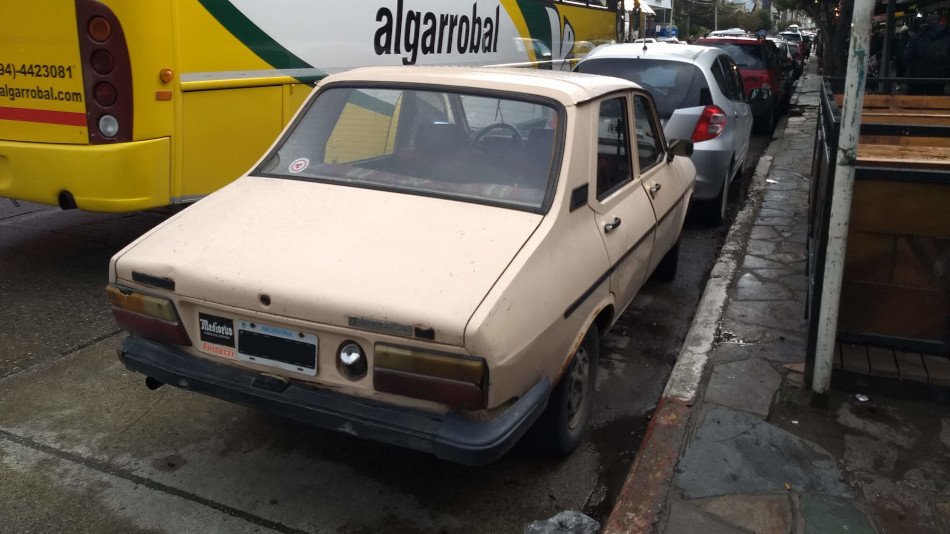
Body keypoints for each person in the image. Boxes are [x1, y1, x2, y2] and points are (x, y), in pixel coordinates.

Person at [904, 13, 950, 94]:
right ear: (939, 22)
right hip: (941, 79)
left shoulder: (918, 37)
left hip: (919, 78)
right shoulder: (947, 37)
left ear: (927, 22)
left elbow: (907, 57)